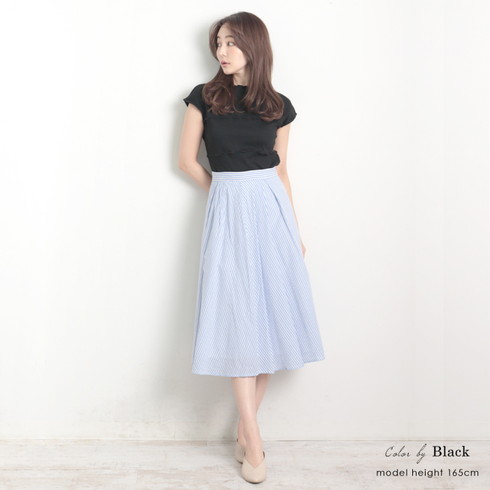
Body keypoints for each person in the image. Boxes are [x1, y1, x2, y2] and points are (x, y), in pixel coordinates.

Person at [178, 11, 326, 484]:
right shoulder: (204, 97)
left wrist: (294, 230)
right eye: (219, 43)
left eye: (231, 43)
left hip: (272, 213)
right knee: (239, 320)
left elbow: (281, 172)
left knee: (271, 319)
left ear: (253, 46)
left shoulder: (279, 105)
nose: (222, 51)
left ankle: (245, 429)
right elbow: (186, 161)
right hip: (229, 212)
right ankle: (254, 439)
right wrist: (224, 193)